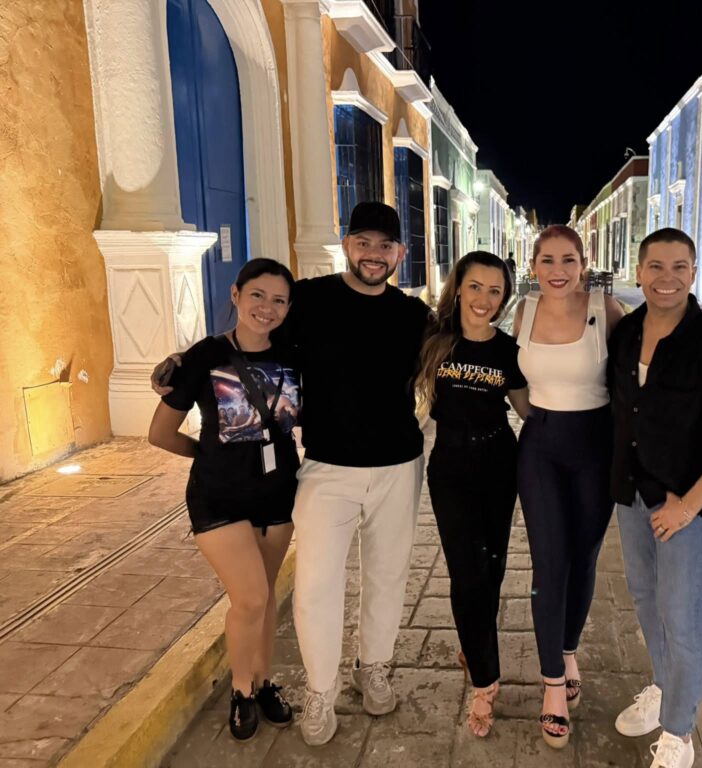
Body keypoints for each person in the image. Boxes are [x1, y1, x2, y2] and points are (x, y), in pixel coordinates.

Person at [153, 202, 431, 747]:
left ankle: (373, 667)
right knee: (316, 587)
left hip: (399, 466)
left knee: (388, 576)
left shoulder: (414, 315)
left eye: (385, 245)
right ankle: (321, 690)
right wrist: (184, 360)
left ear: (400, 253)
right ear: (347, 245)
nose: (374, 255)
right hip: (327, 468)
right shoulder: (308, 299)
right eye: (363, 242)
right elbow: (253, 330)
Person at [609, 228, 702, 768]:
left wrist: (688, 506)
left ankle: (679, 732)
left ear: (694, 273)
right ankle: (662, 685)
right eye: (655, 266)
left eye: (679, 267)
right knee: (645, 597)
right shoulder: (627, 332)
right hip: (632, 493)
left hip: (685, 507)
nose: (666, 278)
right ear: (639, 271)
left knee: (681, 613)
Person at [148, 258, 299, 741]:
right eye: (257, 295)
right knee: (249, 596)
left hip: (278, 494)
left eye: (279, 300)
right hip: (219, 498)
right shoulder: (204, 356)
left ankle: (265, 681)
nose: (267, 307)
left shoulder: (294, 353)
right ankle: (241, 690)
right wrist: (207, 456)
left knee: (266, 594)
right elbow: (159, 433)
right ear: (235, 295)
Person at [511, 224, 624, 748]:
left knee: (584, 559)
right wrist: (536, 422)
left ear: (583, 263)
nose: (558, 271)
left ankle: (569, 648)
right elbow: (514, 380)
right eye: (548, 260)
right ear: (534, 265)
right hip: (541, 449)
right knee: (549, 563)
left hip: (595, 449)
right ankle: (553, 683)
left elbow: (631, 379)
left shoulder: (607, 309)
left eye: (568, 260)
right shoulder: (524, 311)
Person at [414, 251, 529, 738]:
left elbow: (527, 409)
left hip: (499, 463)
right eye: (476, 286)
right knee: (466, 573)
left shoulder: (508, 350)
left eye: (495, 291)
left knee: (493, 567)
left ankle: (473, 643)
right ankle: (485, 681)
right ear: (459, 287)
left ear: (504, 298)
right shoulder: (434, 341)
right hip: (450, 467)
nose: (484, 299)